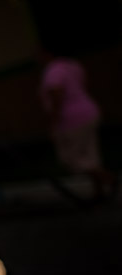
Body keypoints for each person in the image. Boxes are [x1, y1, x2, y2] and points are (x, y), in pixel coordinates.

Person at [38, 49, 116, 202]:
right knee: (90, 155)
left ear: (47, 54)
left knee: (70, 158)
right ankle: (99, 191)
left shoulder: (54, 71)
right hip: (89, 111)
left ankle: (108, 178)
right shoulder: (72, 66)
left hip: (72, 119)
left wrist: (53, 121)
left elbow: (56, 96)